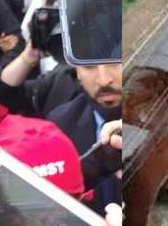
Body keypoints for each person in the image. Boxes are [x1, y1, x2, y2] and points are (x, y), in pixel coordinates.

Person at [48, 63, 122, 214]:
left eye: (115, 62)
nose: (103, 80)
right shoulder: (59, 126)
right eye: (89, 66)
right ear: (77, 72)